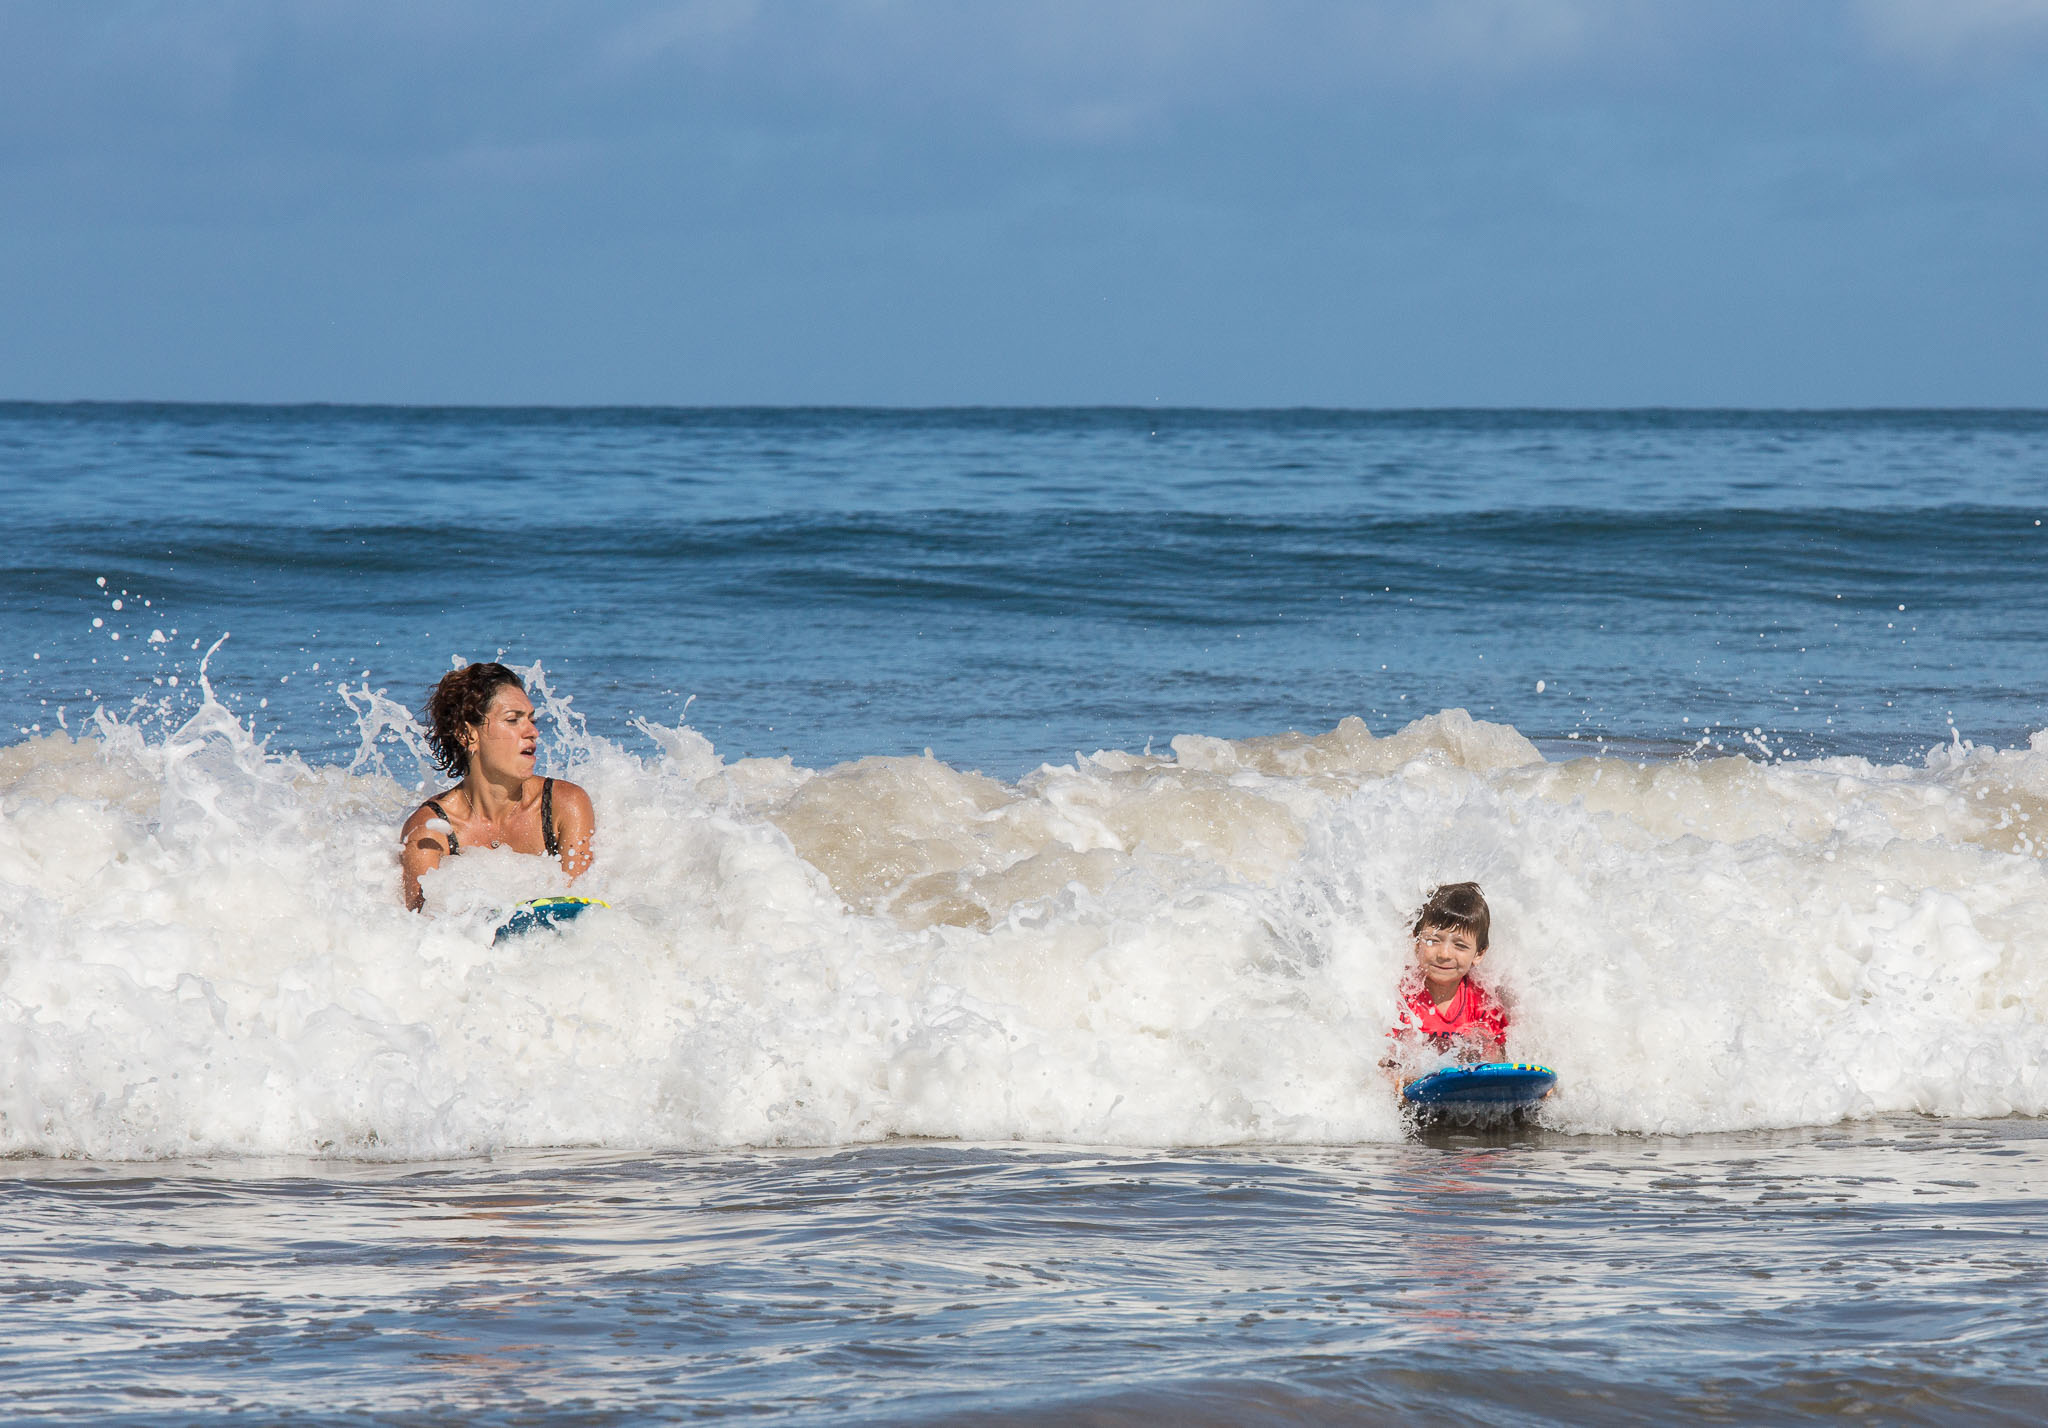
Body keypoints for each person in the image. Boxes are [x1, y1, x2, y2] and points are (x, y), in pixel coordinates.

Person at [399, 662, 596, 911]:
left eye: (531, 720)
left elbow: (578, 909)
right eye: (513, 720)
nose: (533, 732)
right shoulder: (429, 832)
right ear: (467, 735)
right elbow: (419, 926)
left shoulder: (564, 804)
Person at [1384, 881, 1507, 1075]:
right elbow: (1383, 1065)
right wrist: (1402, 1080)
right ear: (1416, 941)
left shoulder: (1484, 1004)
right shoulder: (1401, 995)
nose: (1444, 954)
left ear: (1479, 953)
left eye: (1460, 945)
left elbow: (1498, 1063)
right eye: (1433, 940)